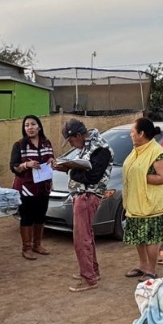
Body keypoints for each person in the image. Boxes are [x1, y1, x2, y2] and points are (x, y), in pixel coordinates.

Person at [53, 119, 112, 292]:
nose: (72, 144)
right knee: (86, 235)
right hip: (83, 195)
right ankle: (92, 271)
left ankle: (89, 278)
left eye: (71, 141)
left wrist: (70, 171)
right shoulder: (89, 146)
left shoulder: (101, 149)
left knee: (81, 237)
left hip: (87, 195)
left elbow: (92, 177)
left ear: (78, 135)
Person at [121, 117, 163, 278]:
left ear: (141, 133)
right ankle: (142, 266)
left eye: (132, 132)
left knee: (150, 239)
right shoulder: (137, 150)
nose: (131, 135)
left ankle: (151, 270)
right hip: (135, 203)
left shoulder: (156, 152)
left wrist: (141, 177)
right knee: (138, 237)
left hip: (150, 204)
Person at [9, 114, 55, 260]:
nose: (30, 127)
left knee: (40, 216)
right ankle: (26, 247)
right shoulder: (19, 145)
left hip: (44, 186)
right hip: (26, 187)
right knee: (27, 217)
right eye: (27, 125)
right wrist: (26, 165)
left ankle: (37, 244)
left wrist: (52, 161)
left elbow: (51, 158)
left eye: (33, 124)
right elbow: (13, 167)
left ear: (39, 127)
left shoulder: (46, 143)